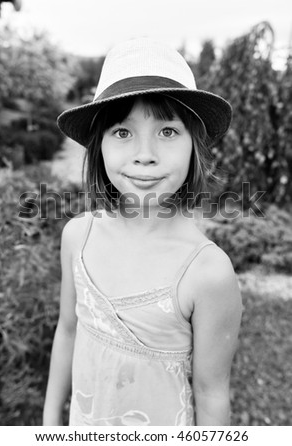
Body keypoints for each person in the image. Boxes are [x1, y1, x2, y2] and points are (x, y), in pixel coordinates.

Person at [43, 38, 242, 426]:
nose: (145, 153)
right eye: (122, 132)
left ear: (194, 147)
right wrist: (50, 424)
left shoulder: (208, 273)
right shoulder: (77, 236)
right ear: (98, 145)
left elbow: (211, 393)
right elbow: (67, 330)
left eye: (167, 131)